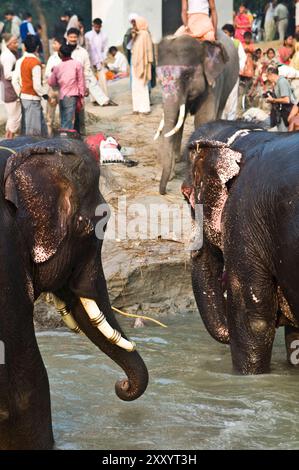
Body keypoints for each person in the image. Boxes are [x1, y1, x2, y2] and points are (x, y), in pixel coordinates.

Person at [12, 34, 48, 136]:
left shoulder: (19, 61)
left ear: (24, 47)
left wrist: (20, 93)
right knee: (34, 131)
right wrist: (45, 95)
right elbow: (37, 86)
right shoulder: (35, 62)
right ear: (37, 47)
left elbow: (14, 81)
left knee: (26, 127)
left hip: (24, 97)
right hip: (32, 98)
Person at [48, 43, 85, 131]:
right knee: (68, 121)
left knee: (64, 119)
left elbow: (51, 82)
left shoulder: (57, 67)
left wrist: (53, 73)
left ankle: (64, 138)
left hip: (62, 96)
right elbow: (81, 81)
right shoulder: (77, 64)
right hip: (72, 96)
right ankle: (66, 140)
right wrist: (82, 96)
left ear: (60, 54)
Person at [222, 24, 246, 120]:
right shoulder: (220, 42)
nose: (223, 34)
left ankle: (230, 120)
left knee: (232, 98)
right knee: (222, 98)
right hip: (222, 75)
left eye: (226, 33)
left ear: (231, 33)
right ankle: (222, 120)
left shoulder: (236, 43)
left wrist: (239, 69)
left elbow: (243, 57)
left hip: (233, 75)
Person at [0, 34, 22, 138]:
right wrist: (19, 73)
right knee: (15, 117)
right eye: (14, 43)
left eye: (17, 42)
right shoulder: (8, 56)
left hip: (7, 89)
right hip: (10, 90)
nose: (16, 44)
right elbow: (8, 74)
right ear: (8, 44)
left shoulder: (8, 54)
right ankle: (9, 140)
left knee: (12, 117)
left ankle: (7, 140)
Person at [131, 17, 153, 115]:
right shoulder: (137, 34)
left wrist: (148, 62)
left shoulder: (145, 34)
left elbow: (148, 50)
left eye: (135, 24)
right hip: (135, 63)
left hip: (143, 63)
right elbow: (132, 48)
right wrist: (133, 36)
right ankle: (136, 108)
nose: (134, 26)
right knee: (135, 86)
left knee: (142, 86)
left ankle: (144, 108)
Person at [266, 65, 297, 130]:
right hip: (281, 113)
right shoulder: (276, 83)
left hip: (287, 112)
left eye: (267, 76)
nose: (267, 79)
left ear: (271, 74)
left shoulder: (282, 82)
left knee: (284, 134)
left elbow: (286, 100)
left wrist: (273, 100)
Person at [45, 36, 64, 136]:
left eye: (55, 43)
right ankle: (49, 135)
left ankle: (62, 135)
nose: (53, 45)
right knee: (49, 114)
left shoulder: (65, 57)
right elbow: (47, 73)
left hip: (63, 89)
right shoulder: (52, 58)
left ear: (60, 45)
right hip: (52, 89)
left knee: (63, 114)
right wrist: (52, 74)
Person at [85, 18, 109, 96]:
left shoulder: (104, 35)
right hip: (90, 60)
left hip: (101, 60)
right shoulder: (88, 35)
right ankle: (94, 99)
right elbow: (87, 49)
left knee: (103, 79)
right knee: (92, 80)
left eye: (98, 26)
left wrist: (104, 58)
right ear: (93, 25)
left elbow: (105, 48)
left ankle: (104, 97)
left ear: (101, 26)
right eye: (95, 26)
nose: (97, 28)